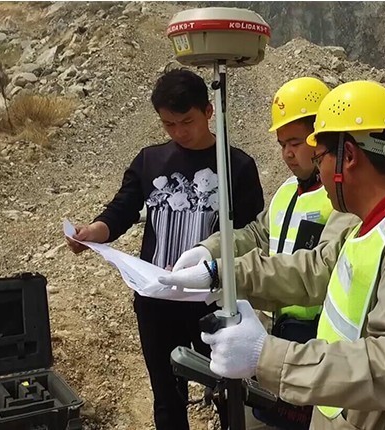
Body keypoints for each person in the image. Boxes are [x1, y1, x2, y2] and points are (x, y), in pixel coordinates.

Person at [160, 80, 385, 429]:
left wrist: (267, 356)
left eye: (320, 158)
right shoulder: (372, 225)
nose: (317, 171)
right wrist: (221, 273)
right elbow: (313, 269)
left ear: (348, 157)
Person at [65, 68, 265, 430]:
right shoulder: (150, 161)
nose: (179, 132)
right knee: (167, 396)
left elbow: (251, 235)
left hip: (213, 300)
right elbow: (122, 209)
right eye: (168, 124)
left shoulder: (237, 166)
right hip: (156, 299)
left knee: (228, 391)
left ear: (208, 111)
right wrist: (95, 231)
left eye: (186, 122)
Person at [170, 77, 360, 430]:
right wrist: (207, 249)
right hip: (273, 333)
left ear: (321, 138)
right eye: (282, 144)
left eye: (296, 143)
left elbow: (318, 270)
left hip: (314, 342)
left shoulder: (342, 202)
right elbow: (258, 234)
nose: (287, 154)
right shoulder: (287, 192)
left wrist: (224, 273)